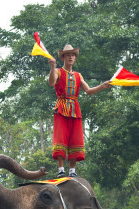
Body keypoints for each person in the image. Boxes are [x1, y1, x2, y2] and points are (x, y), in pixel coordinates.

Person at [47, 45, 111, 178]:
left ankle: (72, 171)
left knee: (75, 138)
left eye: (73, 55)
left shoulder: (78, 75)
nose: (71, 57)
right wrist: (52, 66)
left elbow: (88, 91)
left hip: (75, 109)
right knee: (61, 137)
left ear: (75, 58)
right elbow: (52, 82)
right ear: (63, 57)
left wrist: (102, 86)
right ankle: (60, 170)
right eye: (68, 54)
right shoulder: (58, 71)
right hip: (61, 107)